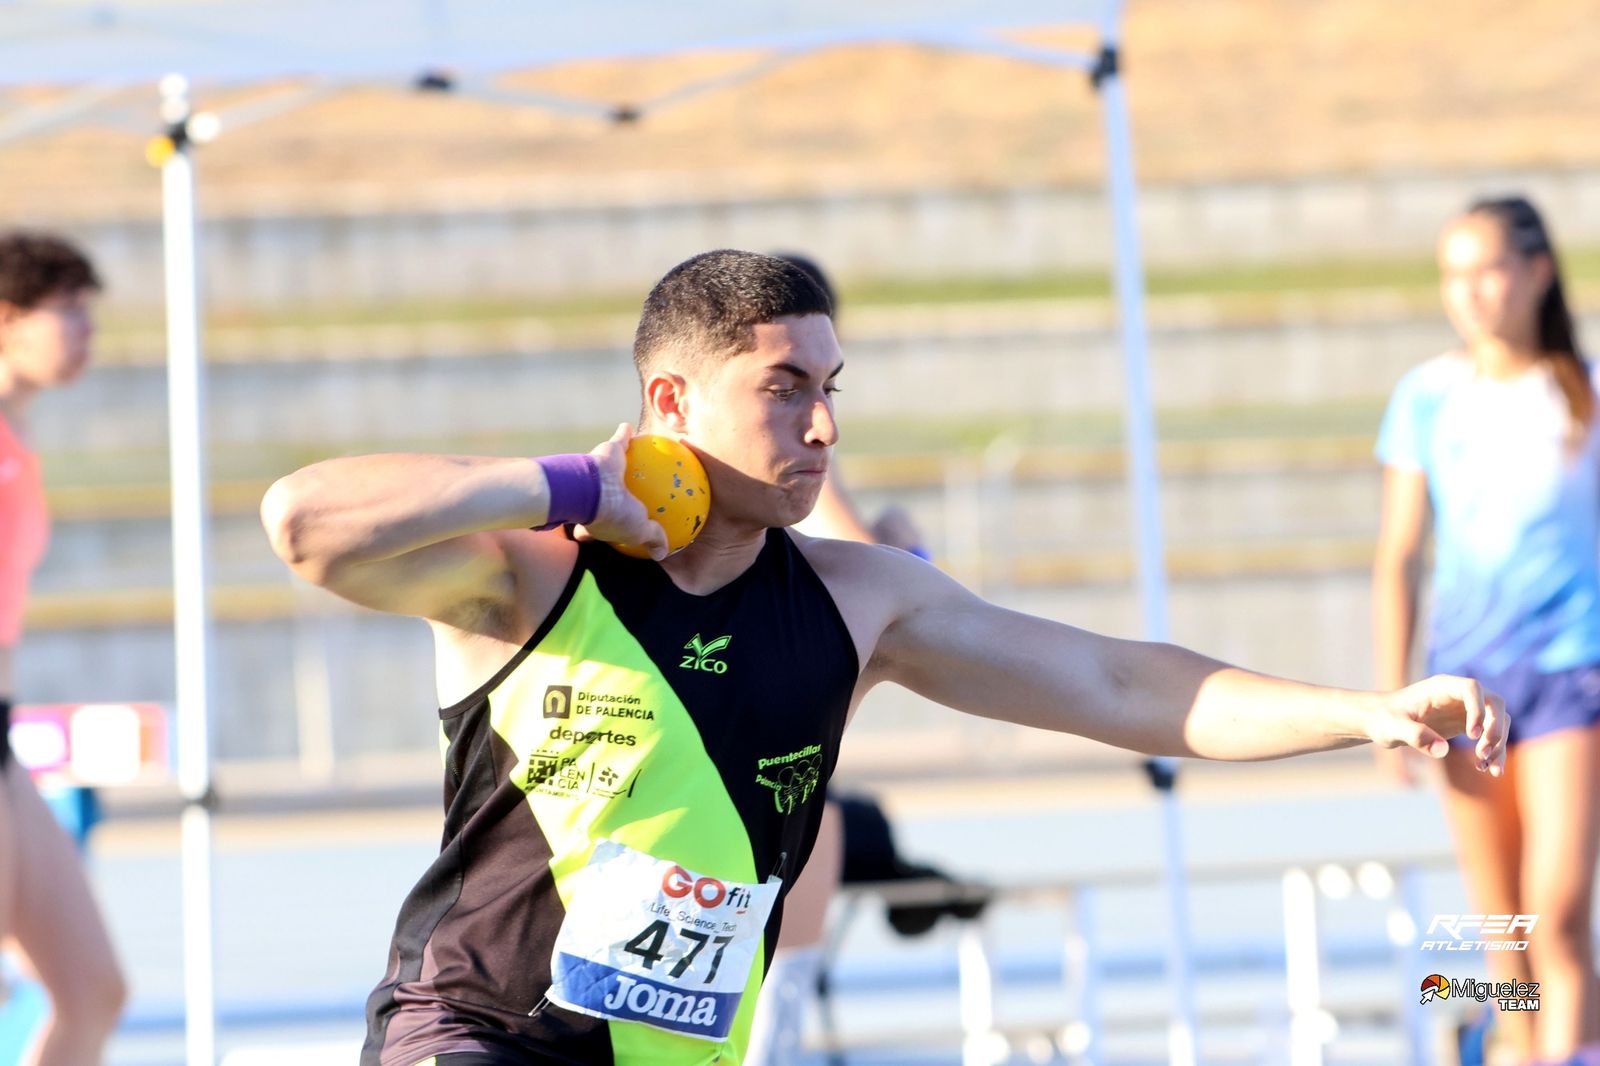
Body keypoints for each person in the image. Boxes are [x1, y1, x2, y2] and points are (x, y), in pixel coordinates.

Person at [262, 249, 1507, 1066]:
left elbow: (1121, 684)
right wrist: (573, 482)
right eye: (785, 386)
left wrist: (1364, 707)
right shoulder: (535, 572)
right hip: (471, 1031)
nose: (824, 424)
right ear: (672, 404)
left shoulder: (864, 603)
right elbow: (303, 522)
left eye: (832, 385)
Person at [1373, 197, 1600, 1066]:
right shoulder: (1427, 396)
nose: (1471, 294)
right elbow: (1399, 556)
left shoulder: (1581, 390)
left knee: (1560, 908)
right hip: (1468, 685)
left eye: (1490, 270)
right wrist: (1389, 699)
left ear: (1538, 272)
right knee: (1500, 919)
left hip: (1572, 672)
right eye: (1453, 276)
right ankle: (1508, 1038)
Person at [0, 232, 127, 1065]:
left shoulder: (18, 442)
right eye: (68, 313)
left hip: (1, 741)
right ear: (6, 319)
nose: (85, 331)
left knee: (91, 991)